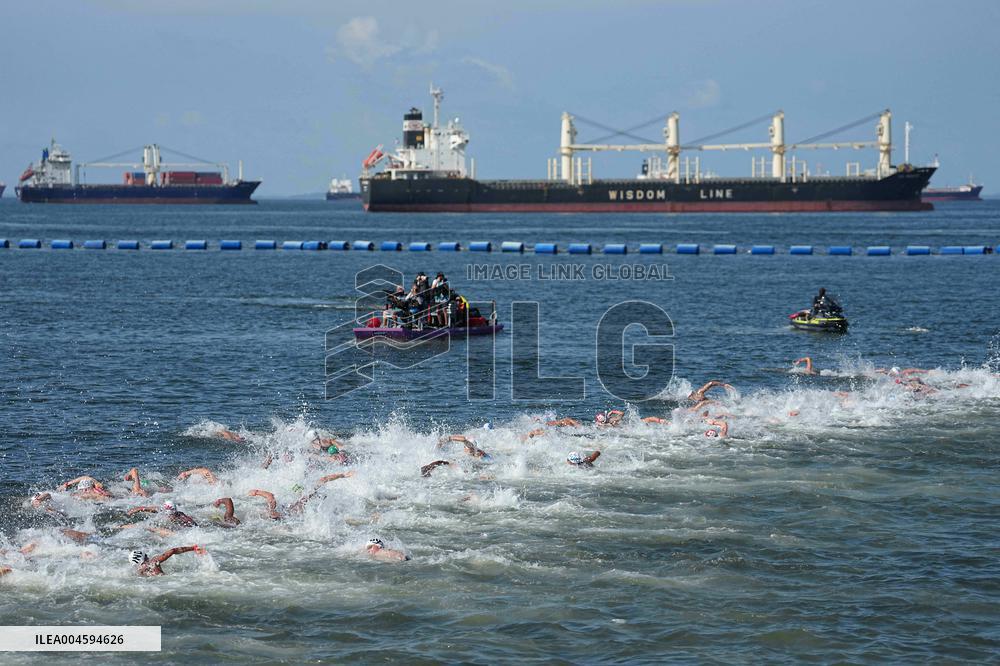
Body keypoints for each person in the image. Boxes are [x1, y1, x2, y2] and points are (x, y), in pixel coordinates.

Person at [130, 545, 205, 577]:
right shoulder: (152, 562)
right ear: (144, 556)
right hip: (168, 582)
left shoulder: (138, 572)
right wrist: (193, 548)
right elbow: (172, 551)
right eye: (146, 555)